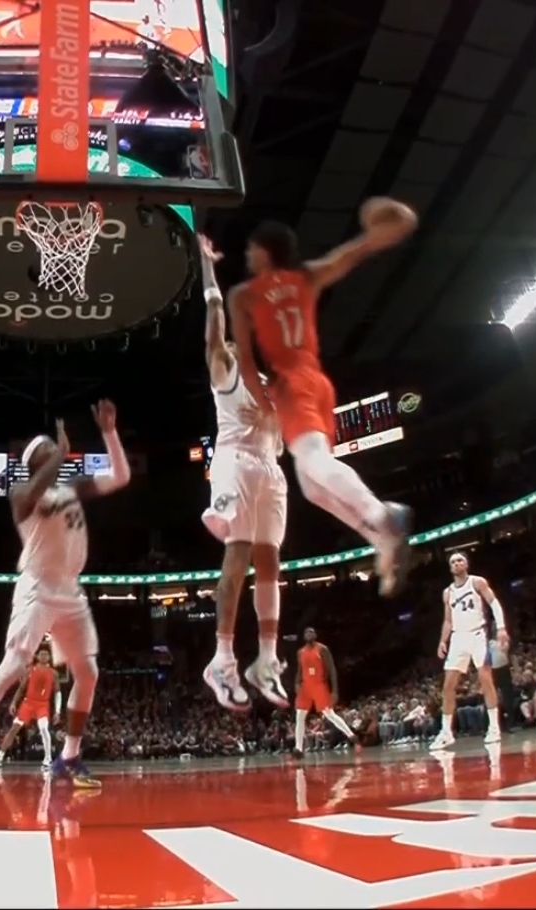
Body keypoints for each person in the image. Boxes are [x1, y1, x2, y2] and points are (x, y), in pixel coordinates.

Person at [225, 201, 418, 597]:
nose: (246, 255)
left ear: (265, 251)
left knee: (314, 462)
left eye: (251, 248)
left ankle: (384, 516)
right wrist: (390, 222)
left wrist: (265, 407)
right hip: (317, 379)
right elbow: (361, 249)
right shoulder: (307, 275)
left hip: (289, 385)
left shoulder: (243, 295)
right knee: (312, 487)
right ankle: (381, 541)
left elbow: (245, 362)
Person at [0, 400, 131, 789]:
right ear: (36, 461)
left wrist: (110, 432)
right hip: (37, 587)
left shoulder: (72, 487)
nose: (55, 448)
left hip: (70, 591)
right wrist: (60, 453)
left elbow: (122, 476)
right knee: (14, 665)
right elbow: (33, 489)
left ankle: (69, 757)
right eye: (46, 448)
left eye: (54, 446)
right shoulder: (21, 493)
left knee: (88, 672)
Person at [194, 234, 290, 711]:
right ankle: (223, 657)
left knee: (270, 563)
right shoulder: (223, 369)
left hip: (269, 471)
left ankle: (266, 660)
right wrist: (209, 269)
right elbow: (214, 320)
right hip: (233, 459)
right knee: (236, 558)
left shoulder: (274, 387)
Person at [430, 552, 507, 750]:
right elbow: (448, 620)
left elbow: (494, 603)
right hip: (458, 638)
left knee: (485, 679)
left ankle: (494, 728)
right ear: (450, 568)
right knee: (448, 686)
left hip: (478, 634)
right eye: (453, 562)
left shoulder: (477, 582)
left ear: (466, 564)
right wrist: (442, 641)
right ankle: (446, 732)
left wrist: (501, 628)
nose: (456, 563)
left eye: (460, 560)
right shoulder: (447, 593)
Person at [290, 626, 358, 757]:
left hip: (319, 685)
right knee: (299, 716)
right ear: (304, 636)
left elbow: (332, 669)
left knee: (329, 713)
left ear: (315, 635)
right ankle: (298, 748)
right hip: (305, 687)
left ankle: (351, 735)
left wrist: (335, 691)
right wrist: (296, 683)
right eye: (306, 632)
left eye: (311, 632)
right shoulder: (300, 652)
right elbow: (299, 670)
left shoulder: (322, 649)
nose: (309, 634)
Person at [0, 647, 58, 767]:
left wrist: (57, 711)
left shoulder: (53, 673)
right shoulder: (29, 670)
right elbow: (21, 689)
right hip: (28, 703)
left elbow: (57, 693)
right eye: (42, 654)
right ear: (37, 657)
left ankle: (48, 758)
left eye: (46, 654)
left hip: (43, 704)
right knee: (14, 729)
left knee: (43, 729)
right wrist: (13, 702)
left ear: (49, 657)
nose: (44, 656)